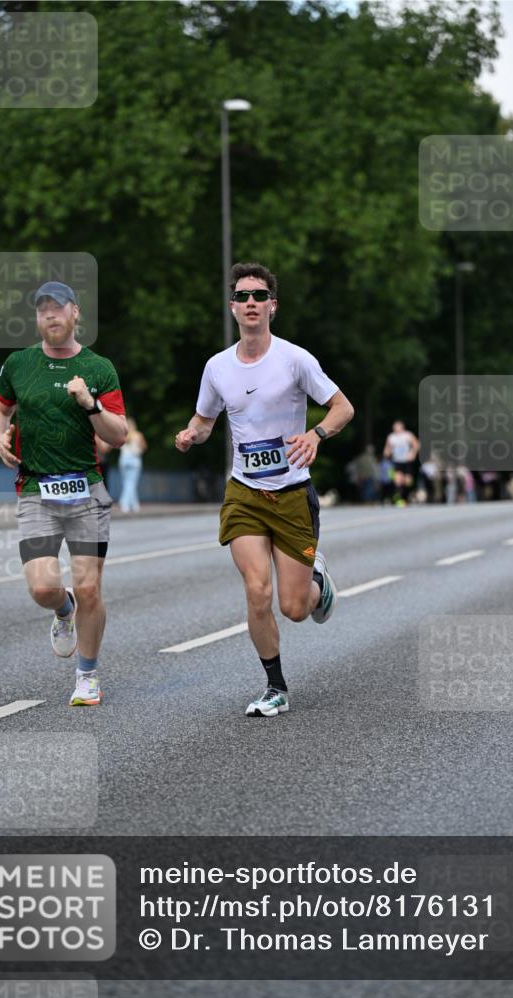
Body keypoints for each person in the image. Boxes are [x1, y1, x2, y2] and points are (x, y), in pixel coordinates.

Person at [175, 262, 354, 718]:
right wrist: (191, 435)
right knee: (257, 590)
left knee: (294, 608)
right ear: (232, 307)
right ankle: (275, 687)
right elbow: (205, 418)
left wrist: (316, 436)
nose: (250, 302)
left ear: (272, 305)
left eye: (259, 295)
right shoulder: (217, 367)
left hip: (292, 493)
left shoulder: (295, 360)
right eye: (242, 296)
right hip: (245, 494)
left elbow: (342, 407)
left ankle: (318, 582)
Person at [0, 281, 127, 706]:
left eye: (58, 307)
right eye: (43, 309)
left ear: (75, 314)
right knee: (43, 588)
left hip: (86, 490)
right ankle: (62, 610)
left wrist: (89, 403)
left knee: (90, 588)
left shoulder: (98, 368)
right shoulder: (18, 364)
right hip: (35, 491)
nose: (50, 315)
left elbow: (118, 434)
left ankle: (87, 676)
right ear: (37, 317)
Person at [383, 420, 419, 506]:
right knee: (397, 481)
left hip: (407, 462)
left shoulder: (407, 435)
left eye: (397, 426)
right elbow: (387, 449)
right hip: (397, 462)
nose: (395, 428)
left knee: (407, 481)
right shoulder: (391, 437)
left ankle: (406, 498)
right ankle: (399, 500)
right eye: (394, 426)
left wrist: (412, 453)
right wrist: (387, 453)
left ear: (402, 427)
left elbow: (416, 444)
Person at [118, 418, 147, 513]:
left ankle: (135, 505)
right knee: (131, 483)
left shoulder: (122, 435)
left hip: (124, 460)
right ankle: (124, 503)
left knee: (127, 483)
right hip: (135, 459)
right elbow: (144, 447)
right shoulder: (138, 435)